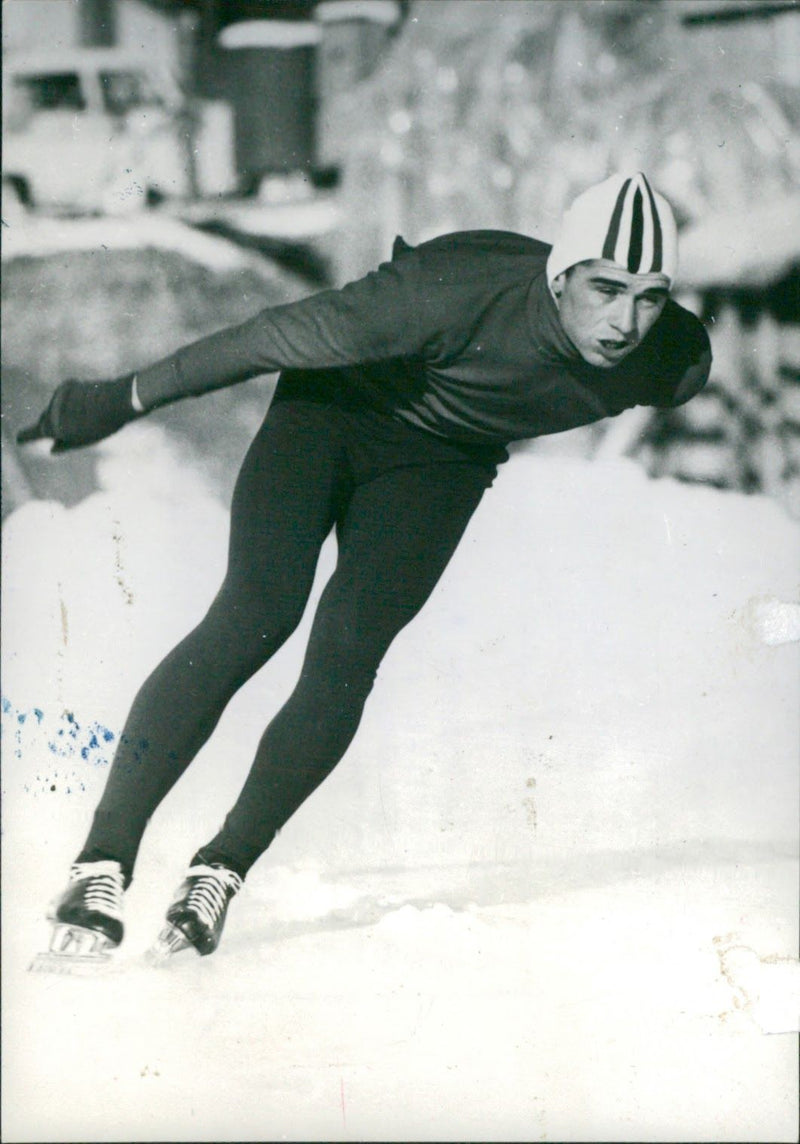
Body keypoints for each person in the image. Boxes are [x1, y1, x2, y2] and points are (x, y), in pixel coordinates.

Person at [19, 172, 711, 965]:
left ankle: (221, 868)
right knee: (258, 613)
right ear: (561, 277)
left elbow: (654, 343)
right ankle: (100, 864)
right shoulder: (445, 293)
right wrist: (121, 396)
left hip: (442, 464)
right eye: (605, 289)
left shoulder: (673, 361)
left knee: (348, 653)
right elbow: (264, 337)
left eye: (650, 297)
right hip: (334, 416)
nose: (625, 321)